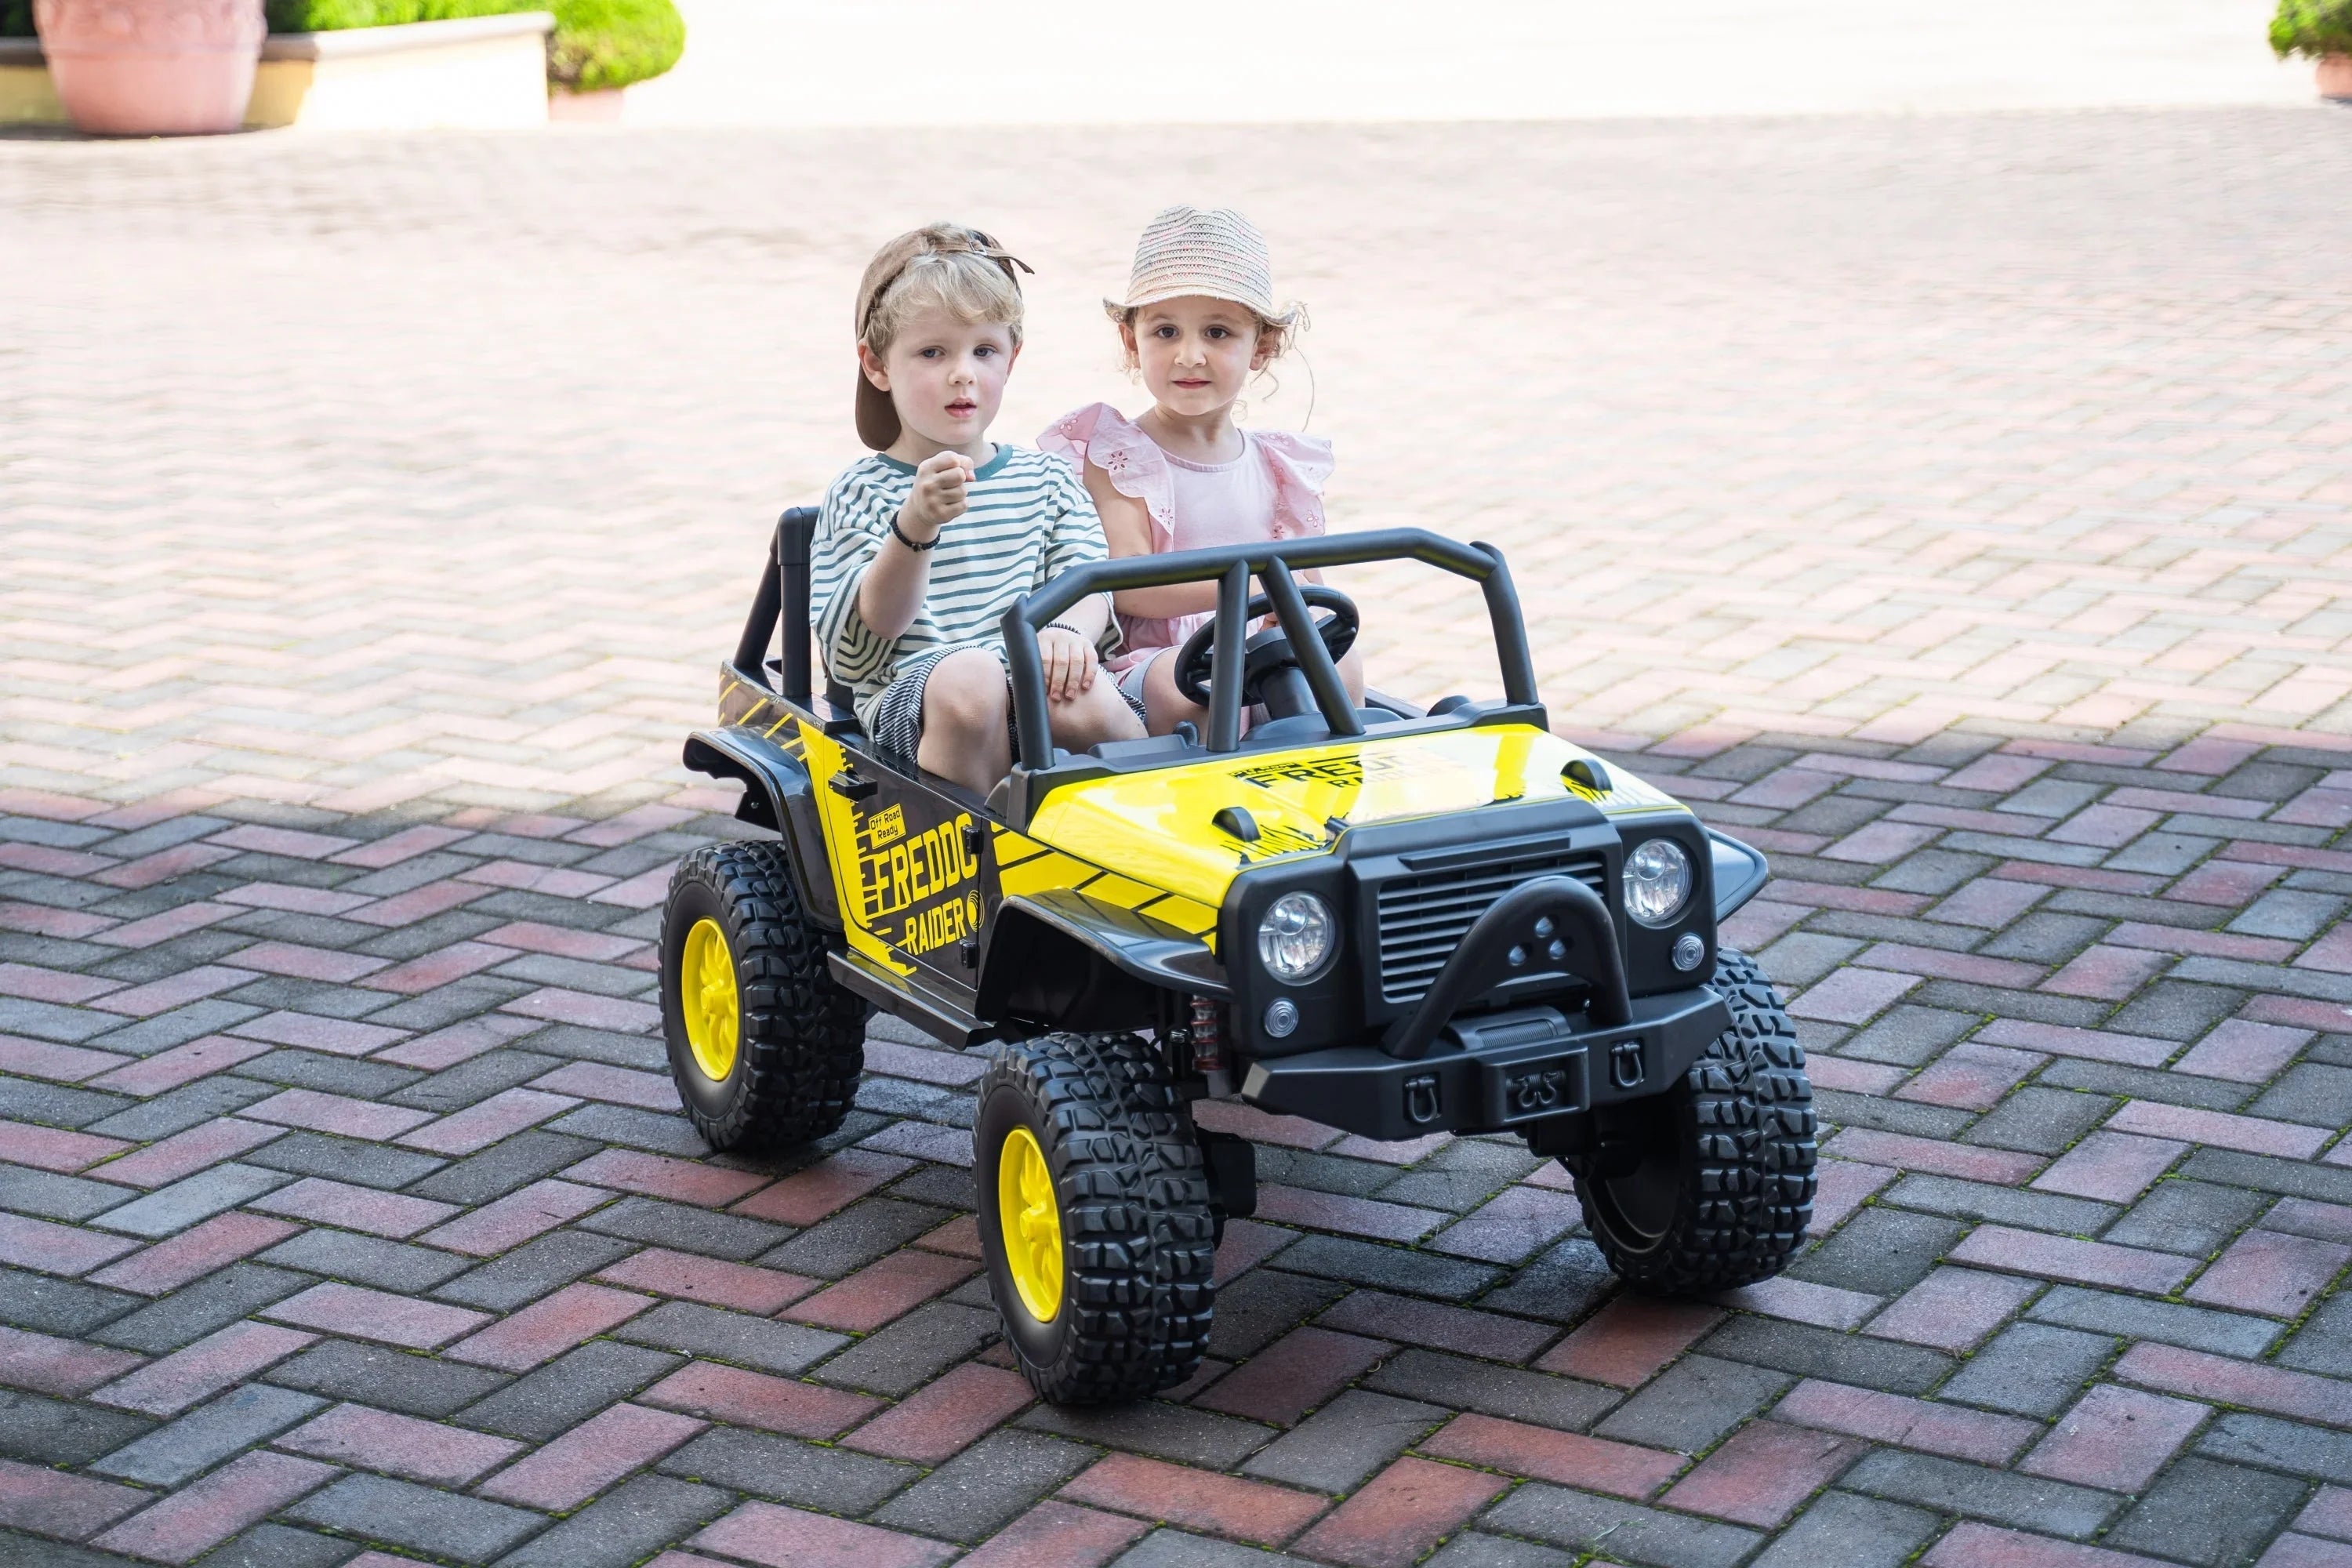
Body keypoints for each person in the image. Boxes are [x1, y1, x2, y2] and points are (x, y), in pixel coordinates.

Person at [810, 223, 1145, 794]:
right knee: (973, 680)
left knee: (1076, 684)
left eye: (983, 350)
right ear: (877, 365)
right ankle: (985, 863)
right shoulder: (862, 493)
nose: (963, 372)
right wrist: (914, 527)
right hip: (919, 701)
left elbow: (1087, 582)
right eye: (932, 352)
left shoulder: (1044, 479)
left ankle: (1160, 832)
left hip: (1034, 681)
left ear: (1011, 359)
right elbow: (855, 652)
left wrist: (1067, 630)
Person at [1040, 205, 1359, 736]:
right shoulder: (1121, 453)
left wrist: (1294, 604)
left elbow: (1305, 581)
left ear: (1261, 346)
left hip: (1266, 649)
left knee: (1339, 662)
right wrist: (1251, 583)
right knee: (1191, 686)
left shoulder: (1279, 465)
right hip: (1164, 663)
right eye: (1166, 332)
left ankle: (1330, 772)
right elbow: (1129, 586)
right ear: (1131, 341)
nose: (1190, 355)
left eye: (1217, 332)